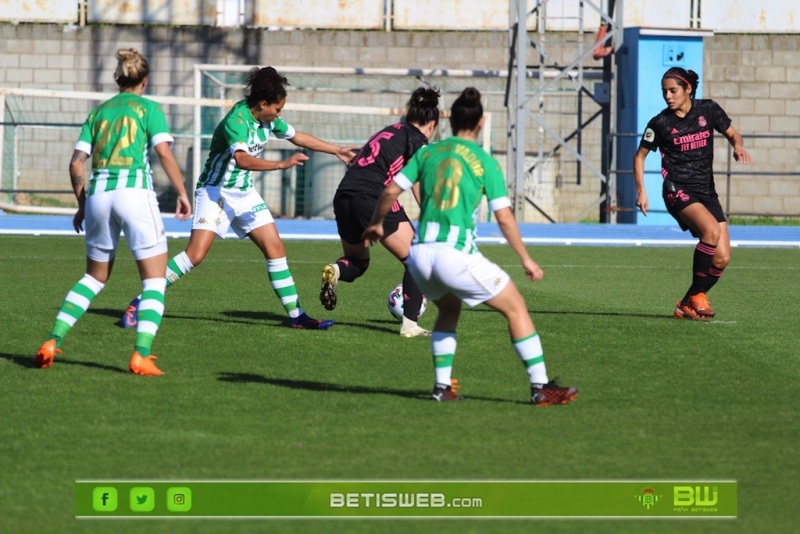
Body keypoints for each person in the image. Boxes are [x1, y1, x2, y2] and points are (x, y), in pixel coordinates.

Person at [363, 87, 579, 405]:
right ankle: (540, 386)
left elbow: (392, 189)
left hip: (420, 255)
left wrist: (378, 223)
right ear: (479, 123)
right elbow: (504, 219)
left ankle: (441, 387)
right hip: (454, 253)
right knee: (516, 307)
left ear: (450, 123)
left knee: (448, 311)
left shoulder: (427, 152)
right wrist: (526, 259)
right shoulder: (484, 162)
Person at [121, 67, 355, 330]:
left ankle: (296, 316)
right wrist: (281, 165)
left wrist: (336, 150)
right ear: (263, 103)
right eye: (278, 109)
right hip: (215, 191)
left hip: (243, 193)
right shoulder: (237, 121)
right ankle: (141, 301)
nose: (280, 114)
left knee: (275, 249)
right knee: (195, 255)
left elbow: (296, 136)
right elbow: (242, 160)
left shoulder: (268, 120)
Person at [35, 48, 193, 376]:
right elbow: (163, 152)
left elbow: (76, 163)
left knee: (94, 276)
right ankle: (141, 354)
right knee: (154, 281)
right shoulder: (149, 108)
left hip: (99, 195)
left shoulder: (99, 112)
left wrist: (82, 205)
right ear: (144, 81)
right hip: (133, 193)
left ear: (116, 79)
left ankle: (52, 340)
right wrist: (181, 192)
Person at [319, 87, 440, 337]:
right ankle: (410, 325)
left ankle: (336, 270)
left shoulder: (388, 131)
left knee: (358, 262)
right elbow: (418, 184)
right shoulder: (417, 139)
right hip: (372, 198)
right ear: (432, 124)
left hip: (343, 197)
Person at [633, 67, 751, 320]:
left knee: (721, 258)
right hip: (677, 190)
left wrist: (738, 147)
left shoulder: (708, 110)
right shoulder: (660, 123)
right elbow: (639, 156)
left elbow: (734, 135)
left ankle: (687, 302)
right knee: (711, 232)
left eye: (673, 90)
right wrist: (641, 190)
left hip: (706, 191)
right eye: (664, 91)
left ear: (688, 89)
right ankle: (698, 297)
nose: (667, 95)